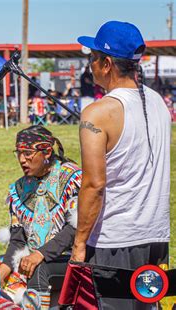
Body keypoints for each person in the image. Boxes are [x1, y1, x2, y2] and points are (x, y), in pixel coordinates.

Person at [71, 21, 171, 309]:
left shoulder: (98, 112)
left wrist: (79, 245)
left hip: (115, 241)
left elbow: (94, 184)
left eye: (92, 58)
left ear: (106, 64)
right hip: (155, 237)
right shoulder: (157, 102)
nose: (89, 65)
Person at [0, 125, 81, 309]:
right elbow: (18, 240)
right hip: (31, 259)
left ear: (47, 151)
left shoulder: (71, 178)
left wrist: (40, 254)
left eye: (27, 153)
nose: (21, 159)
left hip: (68, 258)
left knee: (39, 270)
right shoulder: (19, 189)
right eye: (18, 153)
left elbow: (75, 229)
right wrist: (2, 270)